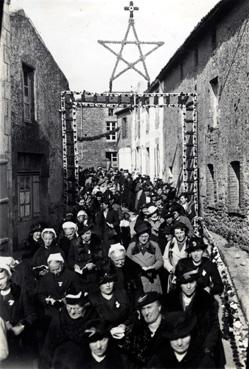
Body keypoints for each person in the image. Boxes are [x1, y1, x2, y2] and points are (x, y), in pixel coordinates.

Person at [165, 264, 226, 368]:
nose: (188, 287)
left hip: (202, 350)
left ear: (196, 282)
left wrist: (206, 349)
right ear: (179, 284)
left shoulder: (208, 300)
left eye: (192, 282)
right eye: (185, 283)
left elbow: (214, 327)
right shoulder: (170, 301)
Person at [39, 291, 97, 369]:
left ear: (84, 306)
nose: (72, 312)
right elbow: (48, 347)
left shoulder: (93, 316)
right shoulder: (59, 318)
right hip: (60, 361)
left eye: (76, 308)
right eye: (69, 308)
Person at [148, 311, 215, 369]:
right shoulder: (157, 360)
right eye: (174, 338)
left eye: (184, 337)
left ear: (191, 335)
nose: (179, 343)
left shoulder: (203, 359)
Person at [121, 292, 168, 368]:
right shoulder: (135, 332)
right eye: (143, 309)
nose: (146, 312)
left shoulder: (171, 327)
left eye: (149, 307)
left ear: (159, 307)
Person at [127, 222, 163, 294]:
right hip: (139, 279)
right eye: (141, 236)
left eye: (146, 236)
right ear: (137, 236)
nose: (144, 239)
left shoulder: (154, 245)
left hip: (153, 279)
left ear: (149, 235)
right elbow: (127, 262)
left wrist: (153, 267)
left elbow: (160, 260)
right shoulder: (132, 246)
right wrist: (137, 269)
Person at [163, 222, 189, 292]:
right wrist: (171, 269)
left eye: (181, 232)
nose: (179, 235)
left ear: (185, 232)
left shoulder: (190, 243)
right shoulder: (170, 243)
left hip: (188, 277)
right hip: (174, 277)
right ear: (174, 234)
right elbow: (165, 259)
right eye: (177, 233)